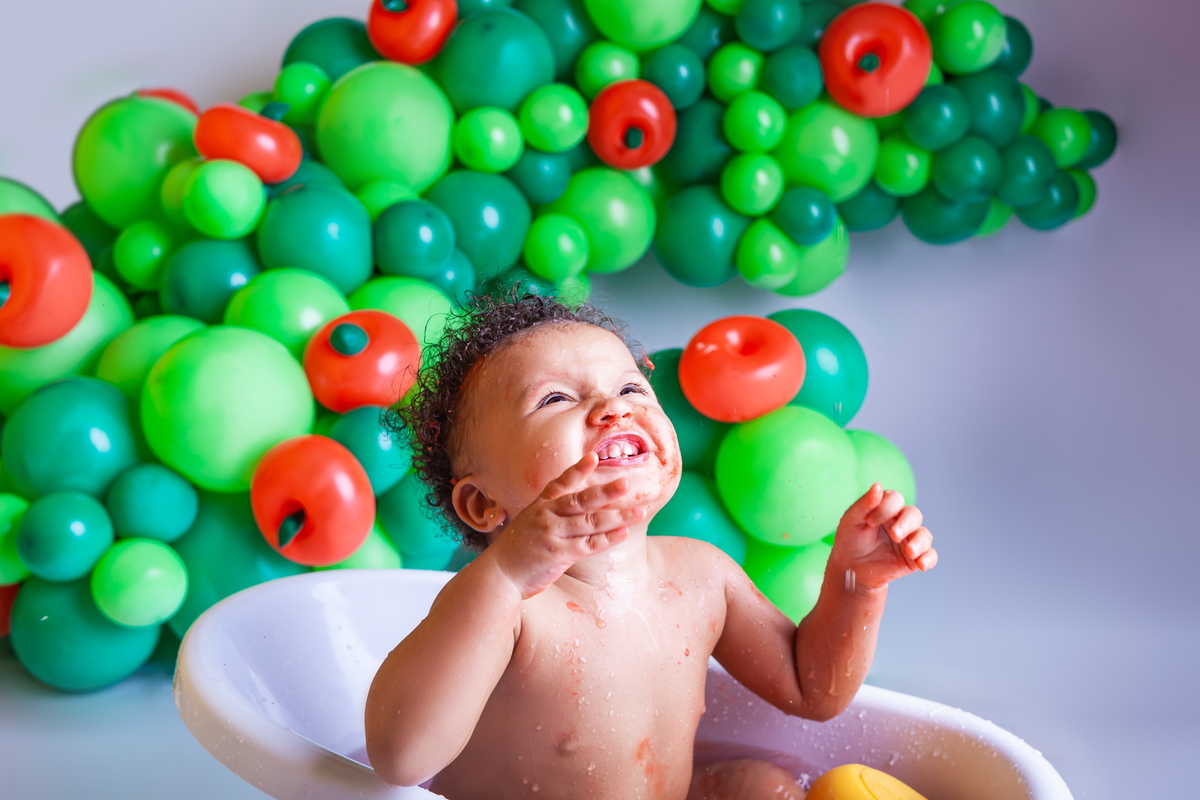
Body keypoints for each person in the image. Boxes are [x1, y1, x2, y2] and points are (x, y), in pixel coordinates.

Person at [366, 293, 937, 799]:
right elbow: (402, 759)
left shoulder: (703, 576)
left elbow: (812, 691)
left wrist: (856, 583)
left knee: (765, 789)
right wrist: (508, 576)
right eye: (556, 399)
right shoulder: (502, 608)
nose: (613, 407)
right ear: (482, 505)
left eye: (630, 387)